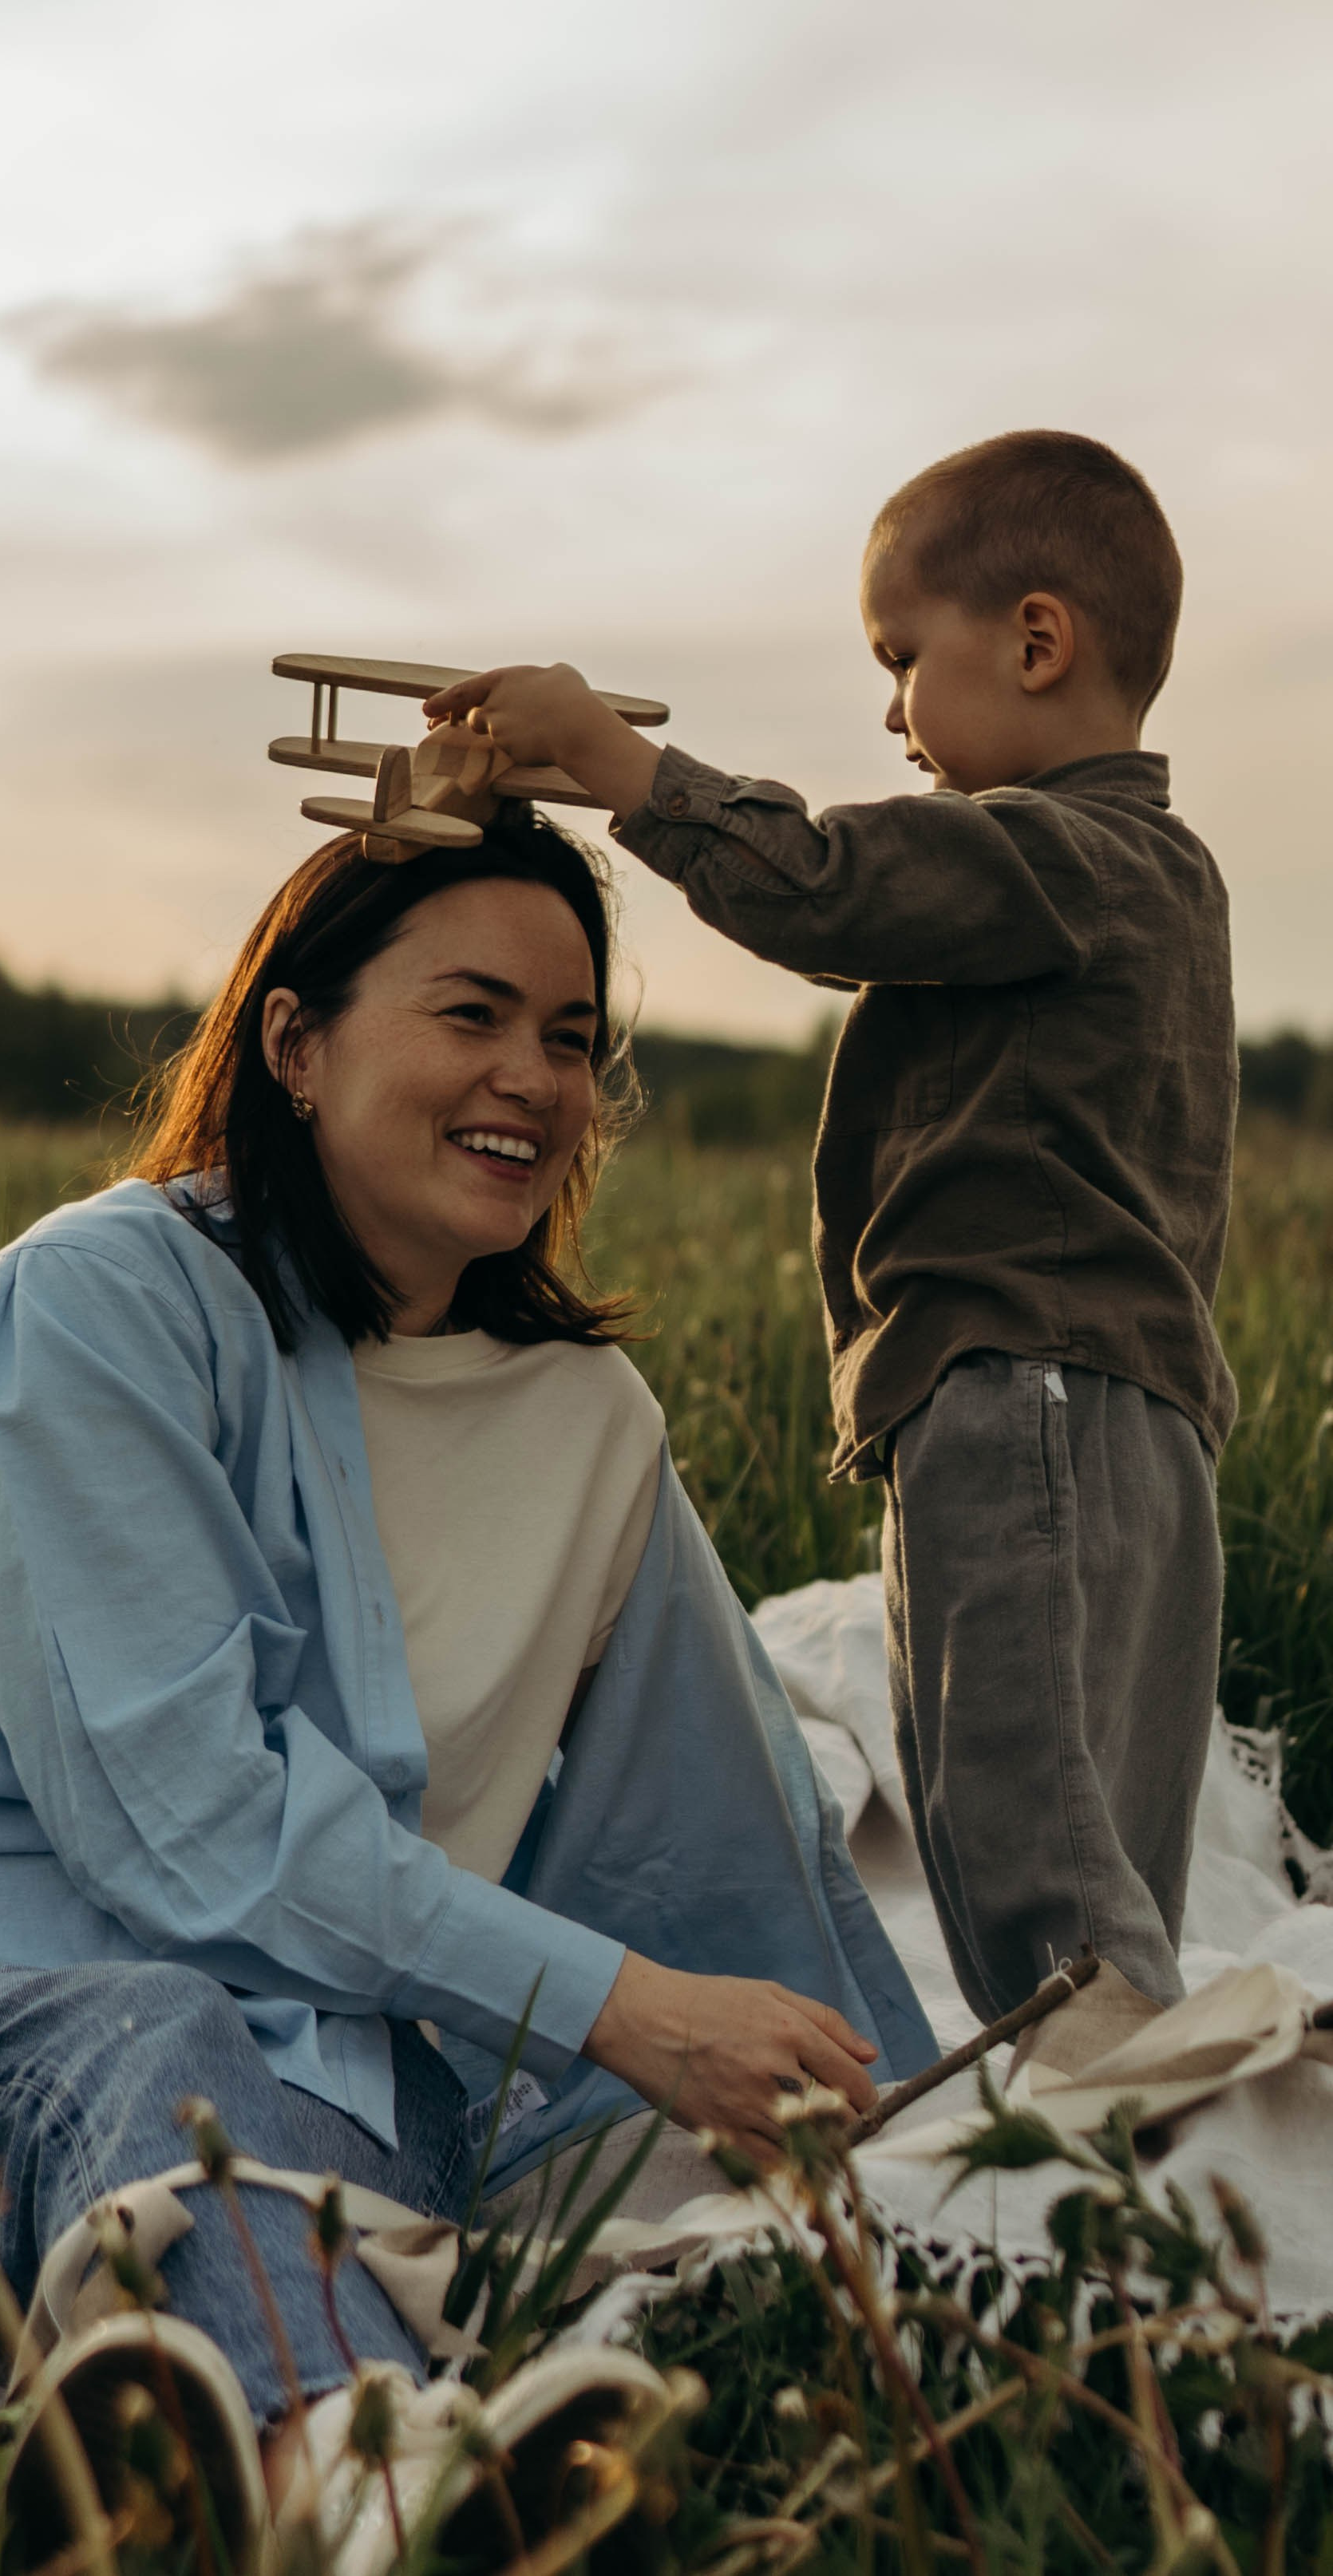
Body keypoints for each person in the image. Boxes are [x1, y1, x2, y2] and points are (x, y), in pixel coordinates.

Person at [0, 805, 934, 2566]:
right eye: (471, 1013)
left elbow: (710, 1838)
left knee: (331, 2114)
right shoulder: (91, 1311)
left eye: (572, 1039)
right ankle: (361, 2496)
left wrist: (907, 2150)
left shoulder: (589, 1427)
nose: (531, 1074)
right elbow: (183, 1823)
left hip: (339, 2101)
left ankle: (223, 2478)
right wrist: (617, 2007)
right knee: (154, 2030)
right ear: (295, 1041)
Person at [424, 428, 1237, 2030]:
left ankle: (1093, 2142)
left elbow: (835, 885)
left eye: (899, 658)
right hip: (1129, 1422)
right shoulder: (1156, 876)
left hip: (1021, 1397)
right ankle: (1115, 2123)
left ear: (1031, 638)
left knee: (1028, 1853)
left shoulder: (1066, 856)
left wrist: (619, 769)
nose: (888, 712)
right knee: (1080, 1846)